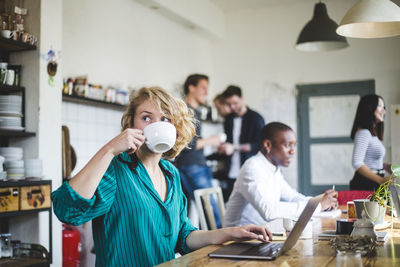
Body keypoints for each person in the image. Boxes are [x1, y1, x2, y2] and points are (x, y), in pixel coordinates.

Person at [52, 87, 272, 267]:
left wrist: (231, 233)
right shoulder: (115, 168)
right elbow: (68, 212)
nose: (157, 125)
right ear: (131, 124)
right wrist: (110, 149)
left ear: (175, 128)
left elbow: (183, 236)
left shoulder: (170, 173)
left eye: (166, 119)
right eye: (146, 118)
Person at [224, 122, 337, 227]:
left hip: (261, 232)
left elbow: (292, 197)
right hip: (237, 240)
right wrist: (317, 206)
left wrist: (319, 201)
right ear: (268, 145)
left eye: (294, 145)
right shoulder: (252, 168)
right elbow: (269, 211)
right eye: (287, 145)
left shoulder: (272, 168)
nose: (293, 151)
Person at [175, 74, 222, 227]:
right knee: (213, 215)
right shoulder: (186, 111)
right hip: (191, 166)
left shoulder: (192, 111)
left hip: (193, 165)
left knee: (187, 213)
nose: (206, 92)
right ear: (191, 88)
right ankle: (222, 249)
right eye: (203, 87)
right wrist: (212, 141)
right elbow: (188, 143)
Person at [218, 85, 265, 199]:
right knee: (232, 207)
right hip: (231, 173)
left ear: (242, 98)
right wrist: (223, 148)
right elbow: (228, 142)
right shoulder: (228, 120)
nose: (232, 107)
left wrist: (234, 147)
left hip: (250, 172)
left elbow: (259, 145)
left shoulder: (256, 118)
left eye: (235, 103)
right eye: (229, 104)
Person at [350, 94, 391, 191]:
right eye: (380, 106)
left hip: (372, 182)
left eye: (384, 107)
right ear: (369, 108)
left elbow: (369, 161)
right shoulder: (364, 133)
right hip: (366, 183)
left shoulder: (372, 134)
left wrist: (384, 166)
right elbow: (357, 162)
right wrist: (381, 180)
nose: (384, 111)